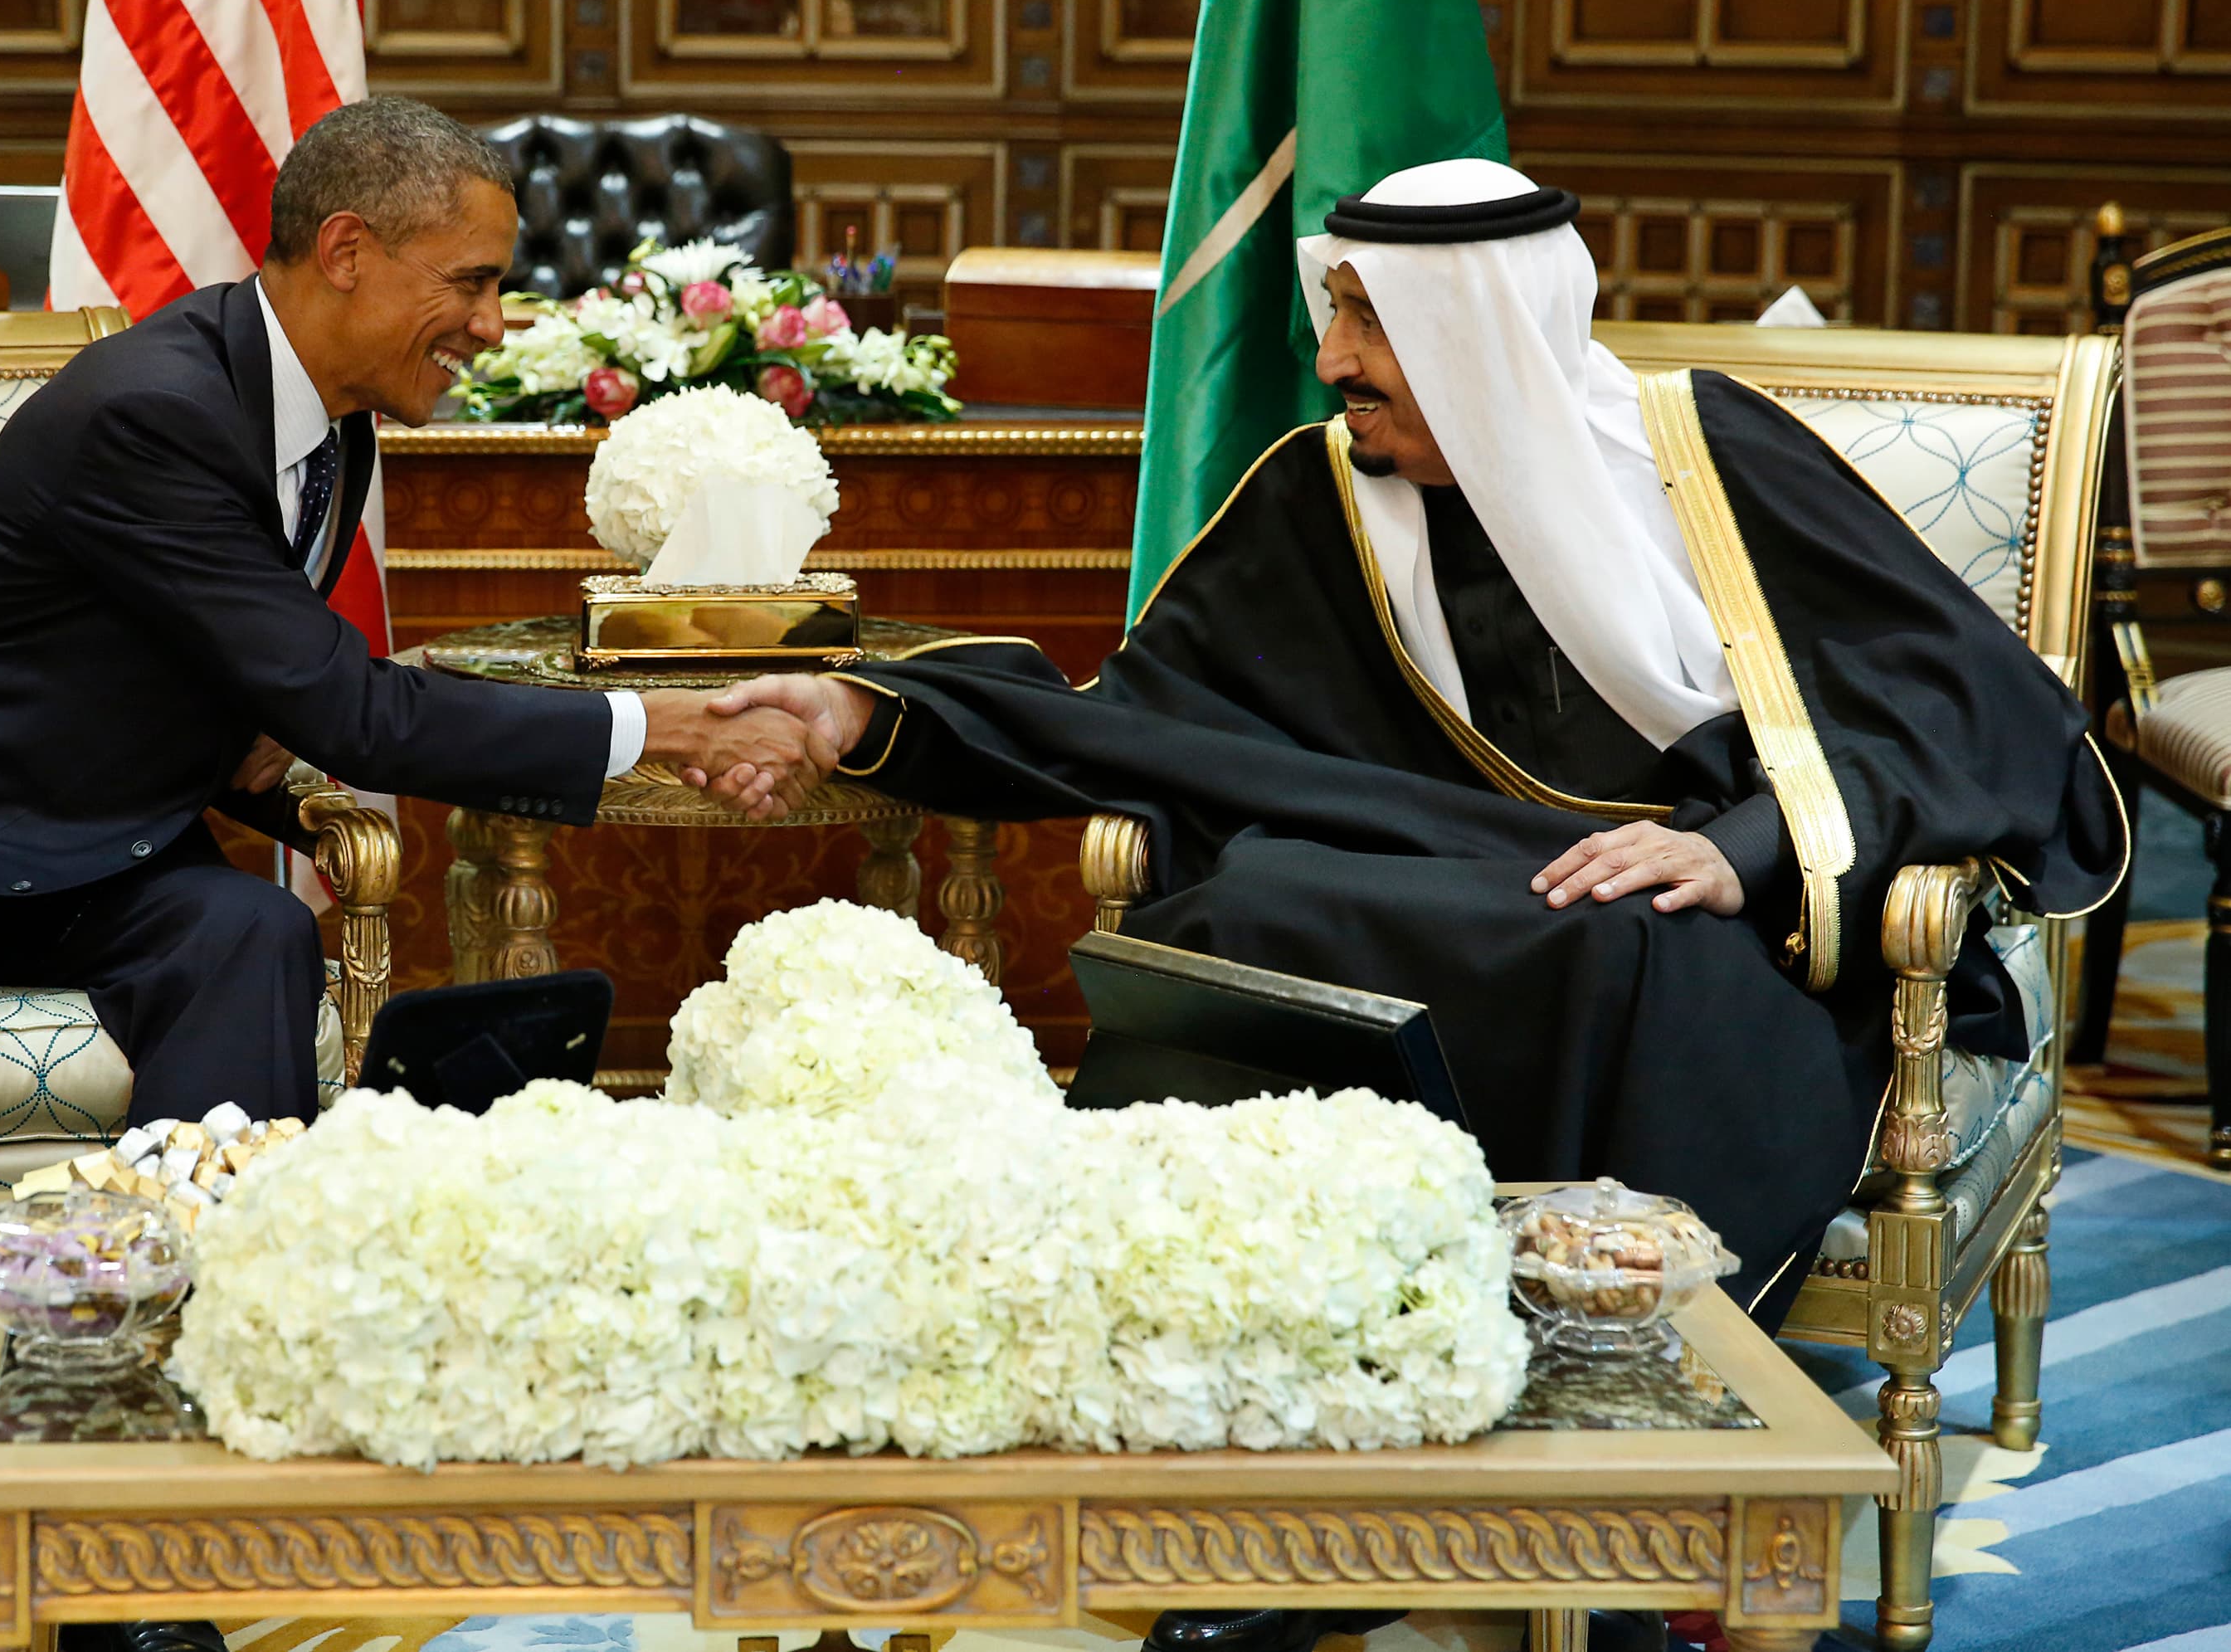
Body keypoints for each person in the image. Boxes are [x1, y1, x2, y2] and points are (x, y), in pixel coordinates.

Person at [707, 161, 2125, 1652]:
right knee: (1247, 923)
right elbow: (1137, 721)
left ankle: (1580, 1492)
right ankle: (1278, 1476)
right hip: (1436, 878)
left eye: (1369, 323)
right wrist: (871, 717)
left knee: (1604, 945)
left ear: (1480, 333)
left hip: (1707, 932)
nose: (1332, 365)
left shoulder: (1703, 454)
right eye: (1336, 312)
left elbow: (1975, 708)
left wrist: (1752, 847)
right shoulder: (1324, 498)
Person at [0, 96, 831, 1430]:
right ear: (347, 252)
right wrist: (667, 726)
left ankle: (192, 1334)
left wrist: (255, 724)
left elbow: (226, 665)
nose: (494, 325)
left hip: (96, 843)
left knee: (250, 932)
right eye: (470, 282)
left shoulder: (333, 422)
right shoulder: (155, 408)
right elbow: (358, 712)